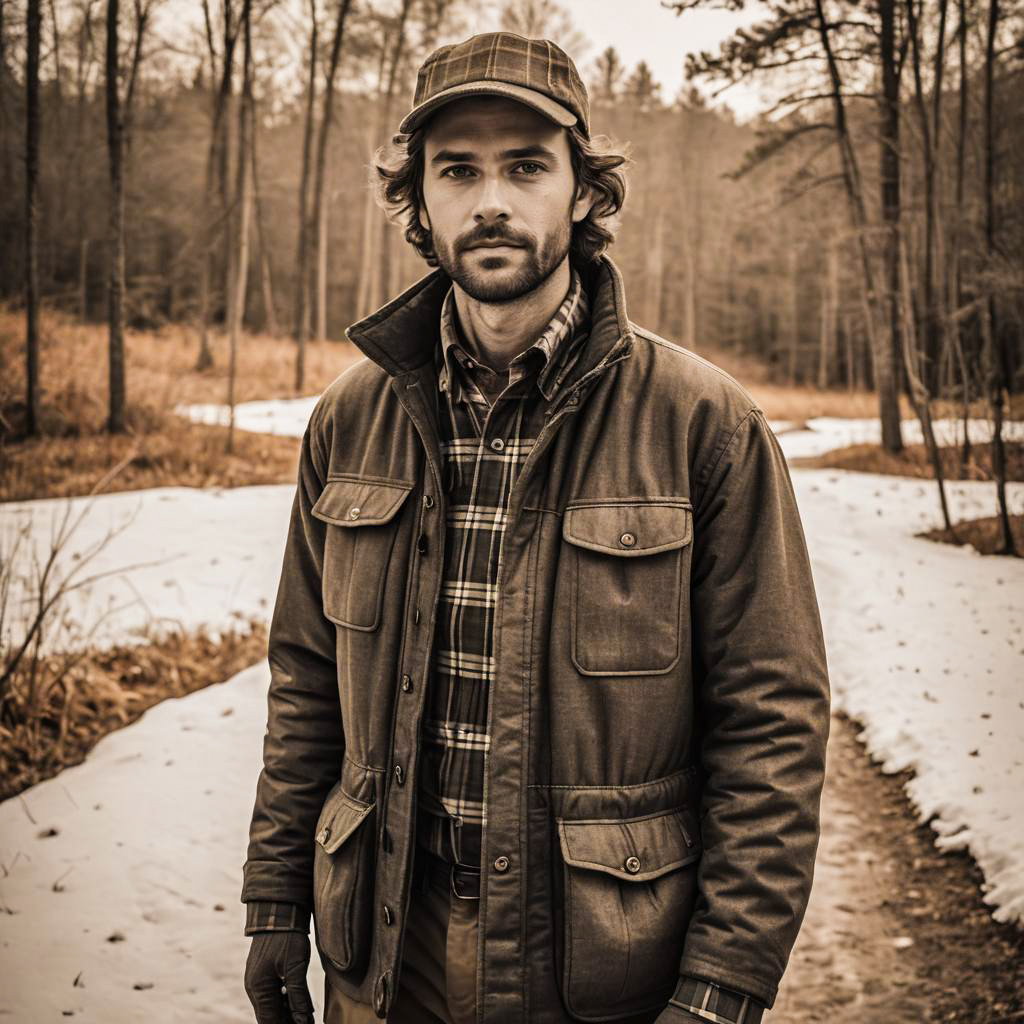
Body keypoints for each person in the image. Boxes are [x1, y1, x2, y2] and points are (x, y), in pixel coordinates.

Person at [241, 30, 830, 1024]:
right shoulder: (351, 420)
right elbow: (306, 681)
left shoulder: (702, 424)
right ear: (417, 201)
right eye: (457, 171)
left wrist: (722, 984)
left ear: (585, 191)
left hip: (597, 973)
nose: (490, 202)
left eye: (525, 167)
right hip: (384, 956)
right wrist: (272, 897)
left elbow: (771, 722)